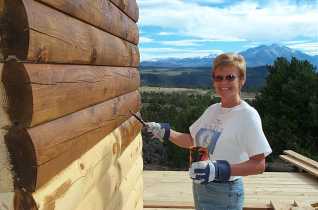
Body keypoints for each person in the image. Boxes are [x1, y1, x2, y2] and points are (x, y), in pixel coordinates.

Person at [144, 53, 272, 210]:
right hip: (201, 187)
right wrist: (165, 131)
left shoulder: (247, 115)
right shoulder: (213, 110)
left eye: (230, 77)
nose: (223, 82)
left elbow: (259, 164)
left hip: (225, 192)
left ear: (242, 80)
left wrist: (218, 169)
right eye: (218, 78)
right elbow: (192, 140)